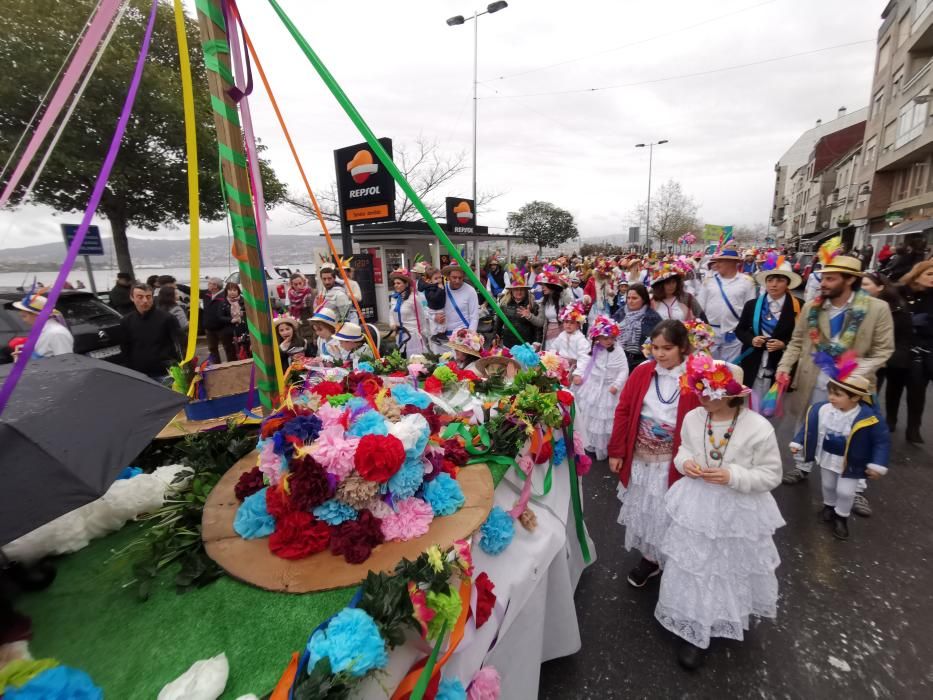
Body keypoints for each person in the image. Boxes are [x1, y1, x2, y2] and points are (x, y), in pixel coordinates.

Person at [658, 356, 784, 670]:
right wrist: (684, 463)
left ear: (730, 392)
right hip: (698, 503)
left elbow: (771, 475)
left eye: (709, 389)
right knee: (696, 563)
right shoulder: (693, 418)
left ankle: (719, 618)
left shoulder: (759, 428)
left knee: (725, 566)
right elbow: (684, 449)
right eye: (698, 387)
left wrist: (734, 476)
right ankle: (695, 627)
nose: (701, 395)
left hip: (737, 509)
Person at [778, 256, 894, 485]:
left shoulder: (877, 309)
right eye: (823, 278)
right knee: (808, 423)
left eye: (830, 279)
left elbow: (884, 350)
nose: (823, 283)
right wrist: (783, 367)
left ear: (850, 279)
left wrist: (852, 370)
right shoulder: (812, 307)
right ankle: (802, 466)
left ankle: (856, 486)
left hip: (853, 386)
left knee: (854, 433)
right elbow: (797, 341)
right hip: (812, 380)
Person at [607, 320, 700, 588]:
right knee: (647, 508)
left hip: (673, 459)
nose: (660, 354)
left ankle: (672, 556)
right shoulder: (643, 372)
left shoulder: (694, 378)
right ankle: (650, 557)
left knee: (669, 508)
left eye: (667, 348)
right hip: (641, 457)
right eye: (656, 347)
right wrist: (617, 450)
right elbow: (624, 410)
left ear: (682, 347)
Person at [790, 370, 890, 541]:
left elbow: (882, 442)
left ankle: (841, 517)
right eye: (830, 392)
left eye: (838, 394)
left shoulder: (869, 418)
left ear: (855, 397)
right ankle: (829, 507)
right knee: (828, 485)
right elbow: (808, 427)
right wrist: (798, 442)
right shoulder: (821, 410)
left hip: (852, 461)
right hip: (827, 456)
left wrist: (877, 464)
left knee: (845, 492)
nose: (831, 397)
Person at [734, 260, 802, 406]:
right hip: (753, 363)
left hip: (780, 364)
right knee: (749, 404)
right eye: (770, 280)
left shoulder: (799, 306)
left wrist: (783, 344)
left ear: (787, 284)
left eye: (780, 280)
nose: (774, 284)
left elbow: (802, 338)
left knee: (775, 407)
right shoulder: (752, 305)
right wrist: (751, 340)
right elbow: (740, 330)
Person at [572, 316, 629, 460]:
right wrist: (578, 374)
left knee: (606, 419)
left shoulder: (618, 351)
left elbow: (624, 369)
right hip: (594, 387)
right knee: (591, 415)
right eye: (605, 338)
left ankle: (606, 445)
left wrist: (616, 384)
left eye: (611, 337)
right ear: (597, 338)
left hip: (610, 390)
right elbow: (584, 362)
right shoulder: (593, 350)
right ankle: (590, 443)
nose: (609, 341)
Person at [862, 271, 912, 431]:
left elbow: (904, 335)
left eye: (866, 284)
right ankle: (867, 420)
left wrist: (895, 357)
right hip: (868, 359)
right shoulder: (857, 306)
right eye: (859, 284)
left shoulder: (896, 307)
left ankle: (888, 421)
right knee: (868, 391)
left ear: (880, 287)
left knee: (892, 391)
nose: (861, 288)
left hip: (893, 358)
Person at [697, 247, 757, 363]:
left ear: (733, 262)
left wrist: (743, 331)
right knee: (707, 365)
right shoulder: (709, 281)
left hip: (734, 332)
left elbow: (750, 309)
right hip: (710, 331)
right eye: (717, 261)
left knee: (730, 368)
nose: (717, 264)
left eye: (721, 261)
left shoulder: (747, 281)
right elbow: (700, 306)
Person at [896, 260, 933, 443]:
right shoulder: (901, 292)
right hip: (900, 347)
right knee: (894, 388)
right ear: (917, 275)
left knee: (917, 390)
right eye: (929, 274)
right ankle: (890, 420)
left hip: (922, 351)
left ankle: (913, 428)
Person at [118, 283, 180, 379]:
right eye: (140, 297)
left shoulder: (167, 318)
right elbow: (125, 348)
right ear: (132, 298)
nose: (145, 301)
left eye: (148, 297)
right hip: (139, 374)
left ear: (152, 297)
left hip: (165, 372)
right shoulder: (126, 321)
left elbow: (181, 344)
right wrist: (129, 370)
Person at [612, 284, 662, 372]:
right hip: (620, 359)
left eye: (634, 298)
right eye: (628, 298)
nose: (630, 301)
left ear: (643, 299)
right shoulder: (620, 313)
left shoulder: (652, 317)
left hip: (641, 361)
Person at [11, 293, 74, 359]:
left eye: (24, 316)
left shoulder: (57, 334)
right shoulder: (42, 330)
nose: (23, 320)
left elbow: (66, 363)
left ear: (38, 315)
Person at [493, 269, 544, 349]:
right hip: (508, 344)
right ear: (511, 291)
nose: (519, 292)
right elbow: (498, 323)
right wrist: (496, 335)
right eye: (516, 289)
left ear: (526, 290)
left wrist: (537, 342)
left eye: (521, 289)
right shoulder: (504, 304)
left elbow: (538, 327)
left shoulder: (532, 304)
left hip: (526, 345)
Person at [388, 268, 427, 357]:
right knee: (402, 362)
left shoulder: (413, 298)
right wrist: (392, 324)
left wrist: (422, 334)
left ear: (406, 284)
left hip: (412, 336)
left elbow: (422, 317)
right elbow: (391, 313)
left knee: (414, 362)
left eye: (398, 283)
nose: (395, 285)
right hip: (399, 335)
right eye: (394, 283)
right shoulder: (394, 298)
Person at [439, 262, 479, 341]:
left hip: (462, 336)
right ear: (448, 277)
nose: (457, 281)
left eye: (460, 278)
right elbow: (431, 308)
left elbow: (474, 316)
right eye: (454, 277)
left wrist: (470, 337)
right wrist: (435, 317)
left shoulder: (470, 291)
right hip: (444, 336)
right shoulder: (441, 289)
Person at [549, 301, 590, 372]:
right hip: (561, 367)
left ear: (578, 325)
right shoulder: (562, 335)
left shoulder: (580, 339)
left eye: (572, 323)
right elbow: (553, 347)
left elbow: (584, 357)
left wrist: (578, 372)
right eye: (566, 322)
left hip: (574, 369)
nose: (568, 325)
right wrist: (551, 358)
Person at [202, 277, 235, 363]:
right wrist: (176, 286)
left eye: (209, 283)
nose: (208, 285)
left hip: (223, 328)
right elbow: (191, 290)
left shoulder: (225, 296)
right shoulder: (206, 294)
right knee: (212, 349)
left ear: (215, 286)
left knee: (229, 348)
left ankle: (233, 366)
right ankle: (216, 366)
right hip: (209, 328)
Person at [539, 271, 572, 348]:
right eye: (542, 285)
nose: (542, 287)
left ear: (552, 286)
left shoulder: (564, 298)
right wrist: (529, 315)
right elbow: (540, 322)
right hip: (549, 336)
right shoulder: (544, 301)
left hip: (563, 336)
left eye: (545, 285)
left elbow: (572, 315)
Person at [421, 267, 448, 349]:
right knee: (435, 324)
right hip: (433, 309)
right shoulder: (430, 289)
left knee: (443, 322)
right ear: (429, 280)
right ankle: (434, 335)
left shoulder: (440, 285)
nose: (439, 280)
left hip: (440, 307)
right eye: (436, 278)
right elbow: (433, 298)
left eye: (440, 277)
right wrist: (440, 289)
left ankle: (441, 334)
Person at [225, 282, 250, 359]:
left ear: (238, 291)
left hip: (244, 329)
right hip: (230, 330)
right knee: (233, 352)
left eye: (234, 290)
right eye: (230, 290)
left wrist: (242, 317)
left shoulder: (244, 301)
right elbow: (220, 316)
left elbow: (249, 314)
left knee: (246, 350)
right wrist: (231, 320)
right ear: (226, 291)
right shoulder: (224, 302)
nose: (232, 292)